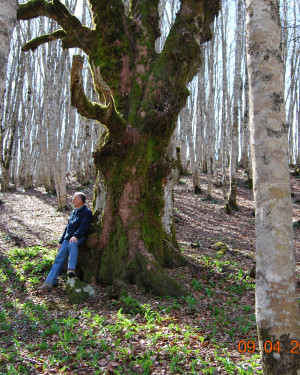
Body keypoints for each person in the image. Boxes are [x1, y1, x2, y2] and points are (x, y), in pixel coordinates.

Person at [40, 192, 93, 290]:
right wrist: (61, 241)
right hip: (67, 239)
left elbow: (84, 227)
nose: (72, 201)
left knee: (73, 243)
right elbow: (67, 228)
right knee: (59, 258)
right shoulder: (74, 211)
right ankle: (50, 282)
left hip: (79, 237)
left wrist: (76, 236)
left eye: (74, 199)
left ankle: (71, 269)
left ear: (80, 200)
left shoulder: (87, 212)